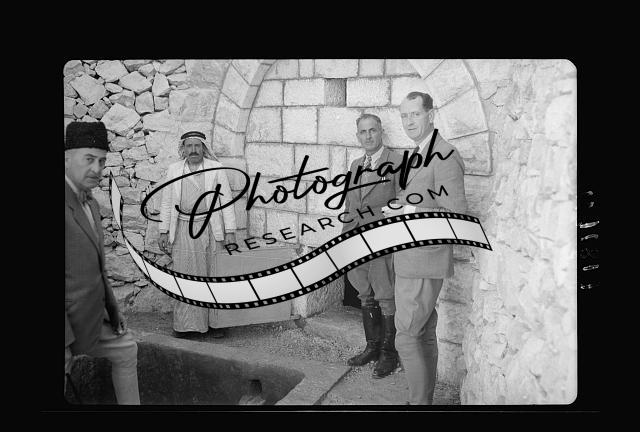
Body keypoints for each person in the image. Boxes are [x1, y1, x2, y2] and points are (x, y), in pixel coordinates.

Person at [382, 92, 468, 405]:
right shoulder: (419, 151)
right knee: (423, 333)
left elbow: (456, 214)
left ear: (430, 115)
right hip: (412, 258)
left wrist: (407, 211)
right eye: (404, 116)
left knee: (405, 337)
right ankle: (424, 401)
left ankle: (419, 405)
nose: (409, 122)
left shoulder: (444, 154)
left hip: (423, 261)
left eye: (415, 114)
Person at [65, 121, 140, 404]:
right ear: (66, 159)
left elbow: (98, 268)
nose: (97, 168)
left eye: (102, 161)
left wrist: (113, 310)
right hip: (66, 324)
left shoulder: (92, 204)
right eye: (89, 159)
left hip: (91, 318)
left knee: (126, 348)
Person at [342, 114, 404, 378]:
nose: (368, 136)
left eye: (373, 130)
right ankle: (372, 347)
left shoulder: (397, 162)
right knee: (364, 294)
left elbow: (403, 201)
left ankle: (389, 354)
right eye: (363, 132)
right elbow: (350, 204)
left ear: (381, 132)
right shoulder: (356, 164)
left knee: (386, 296)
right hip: (356, 240)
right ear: (358, 136)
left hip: (381, 242)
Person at [158, 130, 236, 337]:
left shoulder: (216, 169)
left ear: (203, 148)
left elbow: (226, 200)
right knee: (186, 277)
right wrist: (163, 230)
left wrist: (230, 231)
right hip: (183, 229)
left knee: (213, 275)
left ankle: (216, 324)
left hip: (210, 228)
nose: (193, 150)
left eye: (197, 146)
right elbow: (167, 202)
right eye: (189, 146)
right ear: (183, 149)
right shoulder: (174, 170)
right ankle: (187, 326)